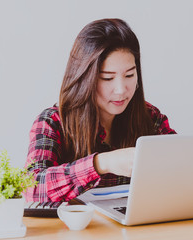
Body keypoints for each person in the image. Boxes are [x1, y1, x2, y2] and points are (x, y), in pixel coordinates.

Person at [24, 18, 176, 203]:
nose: (121, 89)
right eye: (107, 78)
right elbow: (31, 187)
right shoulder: (53, 121)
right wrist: (101, 163)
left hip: (137, 226)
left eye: (129, 75)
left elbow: (182, 166)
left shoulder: (149, 117)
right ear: (84, 78)